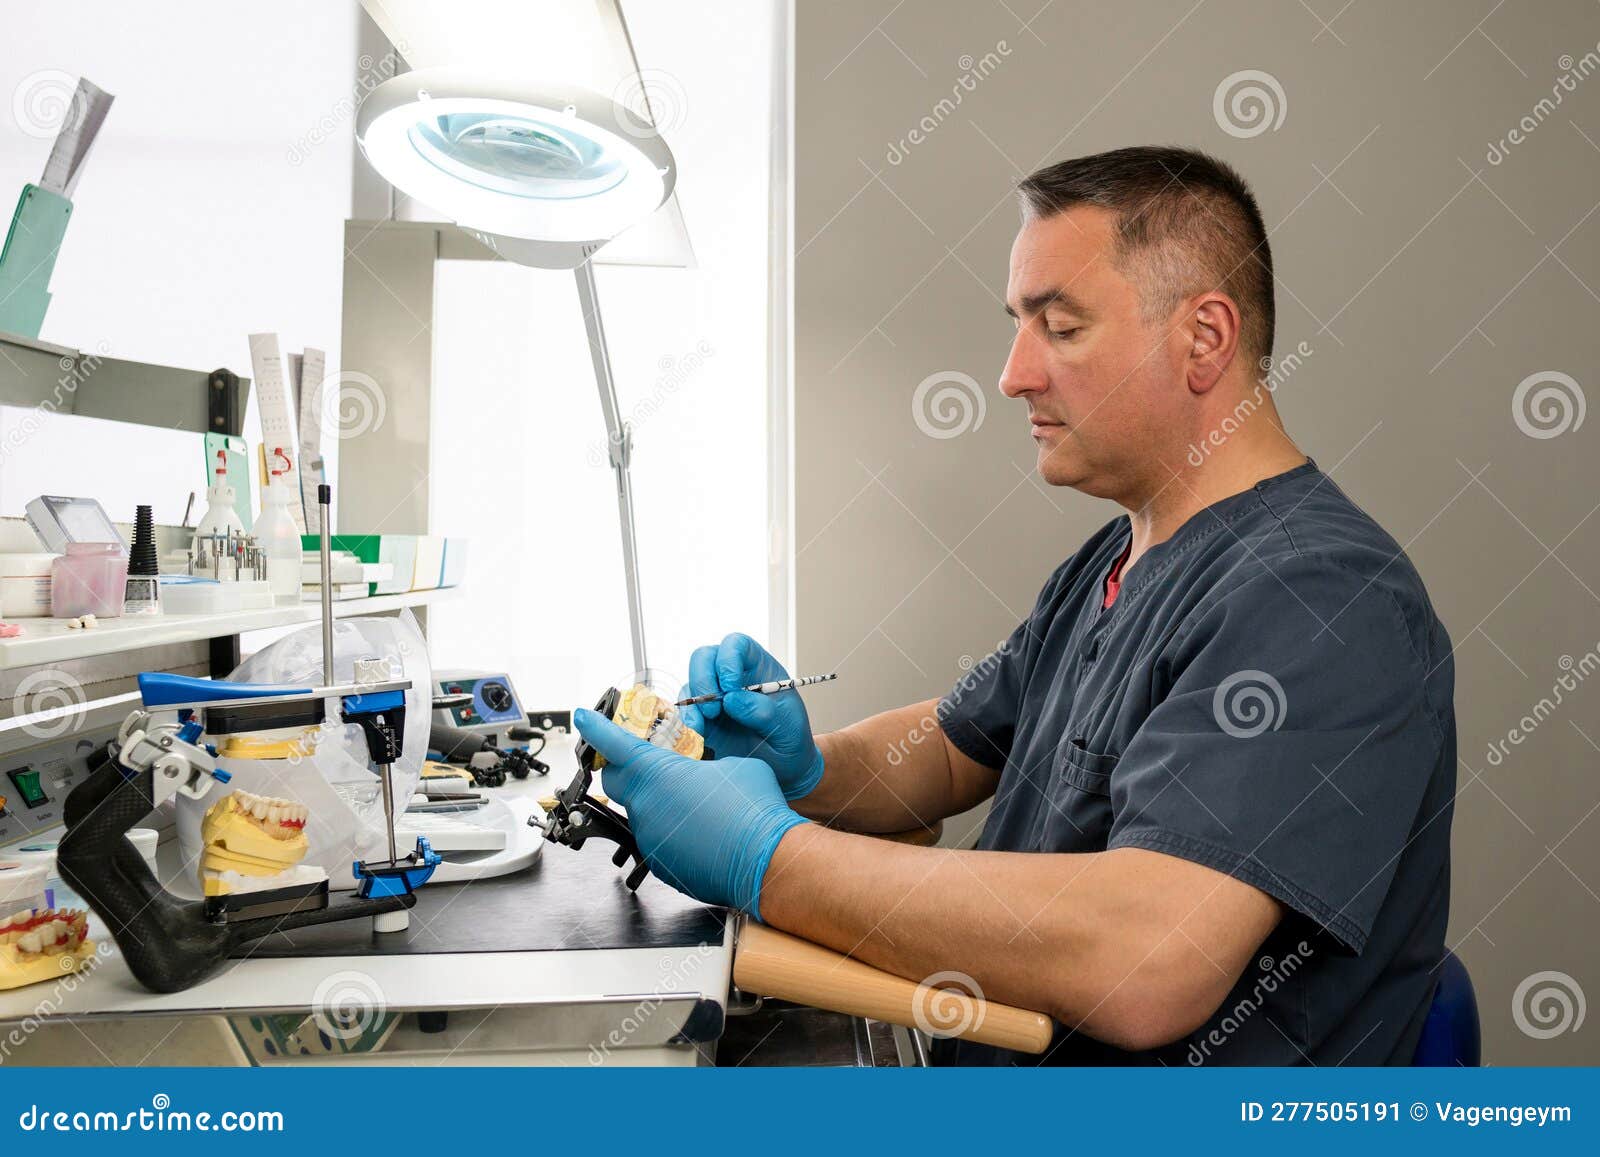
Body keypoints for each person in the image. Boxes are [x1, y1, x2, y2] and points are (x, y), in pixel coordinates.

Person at [575, 145, 1456, 1065]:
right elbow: (954, 752)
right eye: (1018, 326)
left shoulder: (1322, 598)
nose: (1013, 374)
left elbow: (1148, 959)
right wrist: (806, 767)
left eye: (1061, 328)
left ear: (1205, 338)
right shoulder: (1117, 556)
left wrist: (772, 856)